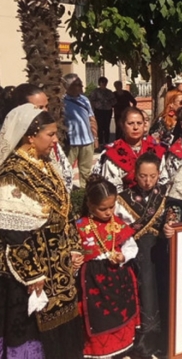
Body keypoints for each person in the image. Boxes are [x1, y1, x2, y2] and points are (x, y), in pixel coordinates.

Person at [0, 104, 84, 359]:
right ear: (30, 136)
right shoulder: (12, 174)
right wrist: (32, 272)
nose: (55, 139)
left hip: (59, 267)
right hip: (30, 273)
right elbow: (11, 232)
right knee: (32, 331)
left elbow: (65, 210)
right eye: (50, 134)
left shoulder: (47, 163)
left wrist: (74, 247)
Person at [76, 176, 139, 359]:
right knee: (98, 319)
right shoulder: (80, 227)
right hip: (93, 285)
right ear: (90, 204)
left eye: (112, 207)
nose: (108, 212)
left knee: (121, 316)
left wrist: (123, 256)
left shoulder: (118, 224)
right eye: (103, 209)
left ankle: (122, 349)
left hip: (119, 280)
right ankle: (100, 353)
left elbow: (131, 246)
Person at [115, 153, 169, 358]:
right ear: (135, 175)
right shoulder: (123, 199)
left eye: (152, 176)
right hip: (138, 256)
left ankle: (165, 338)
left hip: (161, 254)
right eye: (143, 176)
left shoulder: (165, 194)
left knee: (164, 291)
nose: (148, 181)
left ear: (159, 174)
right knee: (144, 292)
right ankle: (145, 340)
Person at [0, 83, 74, 191]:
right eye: (39, 107)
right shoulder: (10, 164)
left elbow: (65, 174)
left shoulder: (47, 139)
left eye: (46, 106)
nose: (45, 111)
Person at [94, 107, 168, 192]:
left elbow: (163, 181)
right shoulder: (113, 152)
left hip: (154, 199)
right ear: (122, 125)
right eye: (131, 123)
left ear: (144, 125)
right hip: (123, 201)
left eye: (139, 123)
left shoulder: (155, 150)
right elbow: (110, 188)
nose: (135, 127)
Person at [63, 73, 97, 188]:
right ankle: (66, 192)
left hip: (88, 141)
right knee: (65, 170)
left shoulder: (84, 100)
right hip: (71, 142)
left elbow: (91, 118)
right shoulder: (61, 101)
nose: (81, 86)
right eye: (78, 84)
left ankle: (83, 194)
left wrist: (95, 137)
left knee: (86, 172)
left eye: (81, 83)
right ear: (67, 86)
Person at [89, 76, 117, 146]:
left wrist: (109, 103)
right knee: (100, 126)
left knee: (107, 126)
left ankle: (107, 141)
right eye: (102, 82)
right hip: (99, 110)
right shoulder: (95, 91)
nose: (104, 84)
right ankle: (100, 142)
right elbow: (91, 100)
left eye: (105, 82)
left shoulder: (109, 92)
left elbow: (114, 101)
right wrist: (94, 107)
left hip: (107, 110)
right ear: (99, 83)